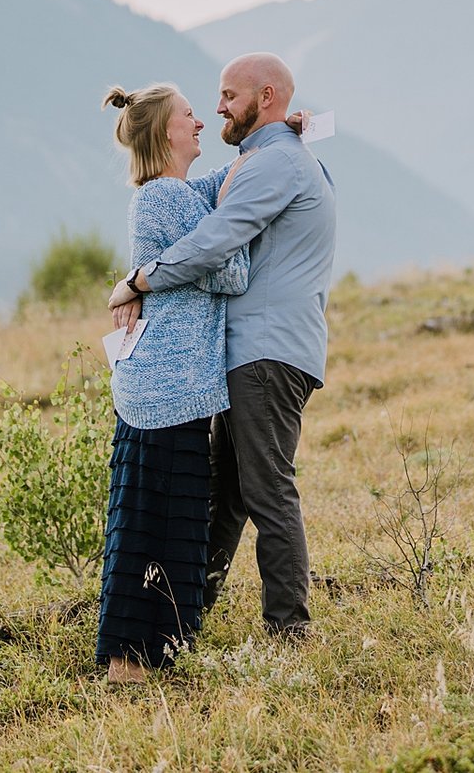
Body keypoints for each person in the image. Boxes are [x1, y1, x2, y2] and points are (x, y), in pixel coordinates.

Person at [109, 52, 337, 637]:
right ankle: (188, 615)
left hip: (264, 353)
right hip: (260, 353)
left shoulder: (274, 165)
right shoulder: (273, 157)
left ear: (265, 97)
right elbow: (202, 199)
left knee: (263, 491)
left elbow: (214, 243)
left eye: (228, 97)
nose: (217, 109)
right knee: (230, 494)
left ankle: (288, 628)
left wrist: (140, 278)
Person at [96, 81, 249, 685]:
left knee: (150, 514)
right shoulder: (166, 198)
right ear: (166, 132)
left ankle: (141, 655)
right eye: (191, 116)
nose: (202, 123)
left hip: (163, 385)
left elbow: (219, 192)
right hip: (169, 386)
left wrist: (271, 140)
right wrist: (144, 279)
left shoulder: (172, 194)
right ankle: (133, 662)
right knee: (160, 518)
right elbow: (231, 271)